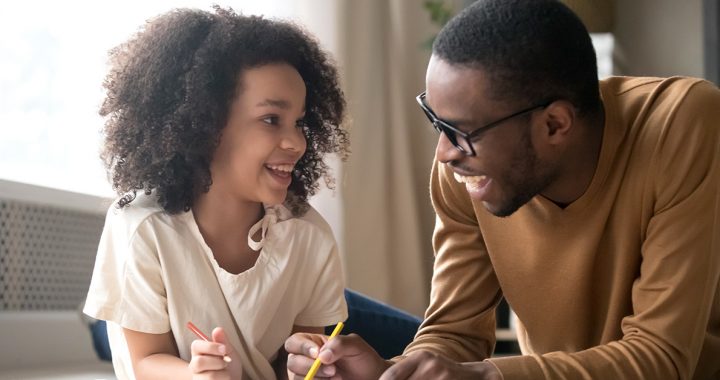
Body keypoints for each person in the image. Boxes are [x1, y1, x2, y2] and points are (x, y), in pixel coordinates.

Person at [284, 0, 720, 379]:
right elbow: (453, 332)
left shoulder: (679, 125)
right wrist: (396, 373)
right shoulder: (467, 168)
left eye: (459, 131)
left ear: (555, 124)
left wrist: (488, 375)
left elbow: (663, 358)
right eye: (436, 122)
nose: (443, 153)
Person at [82, 7, 350, 380]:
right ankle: (103, 323)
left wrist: (308, 361)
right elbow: (146, 362)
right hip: (163, 308)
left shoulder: (309, 234)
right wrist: (195, 375)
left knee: (413, 343)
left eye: (300, 123)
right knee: (113, 328)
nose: (296, 142)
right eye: (272, 119)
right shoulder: (141, 225)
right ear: (205, 125)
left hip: (306, 306)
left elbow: (298, 359)